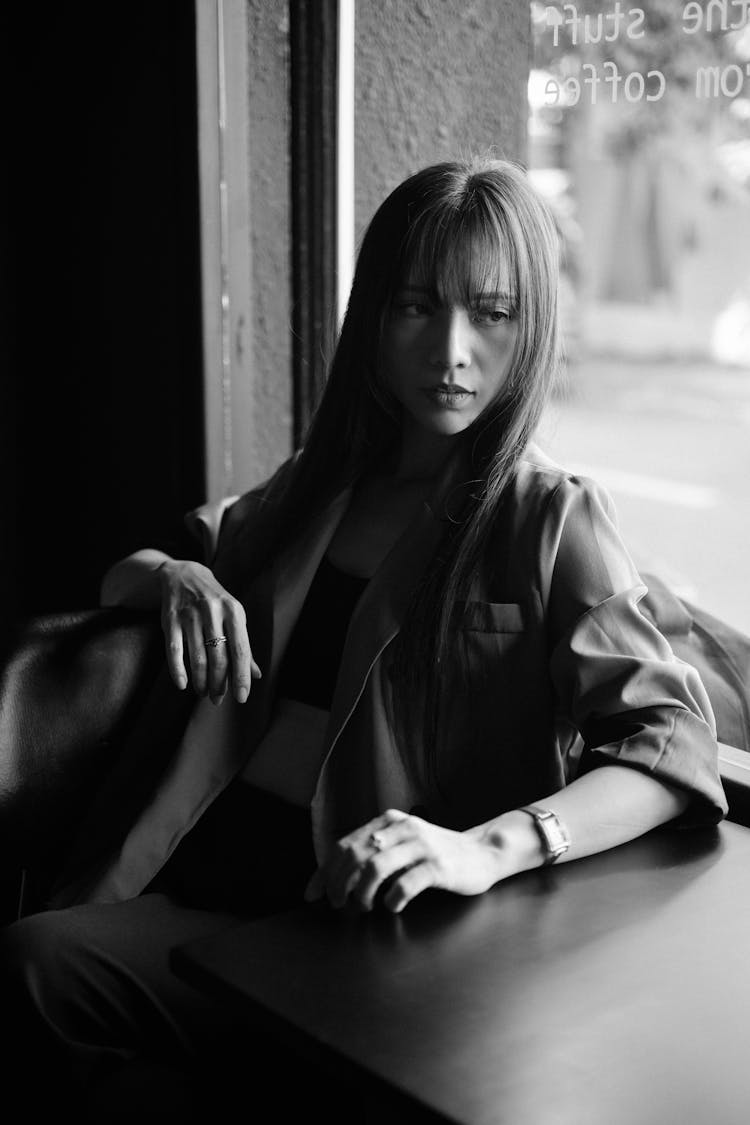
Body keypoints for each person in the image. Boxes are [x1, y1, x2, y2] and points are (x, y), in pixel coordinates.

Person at [1, 156, 727, 1119]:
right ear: (375, 321)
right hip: (201, 884)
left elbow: (671, 743)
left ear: (532, 326)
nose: (453, 350)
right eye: (418, 307)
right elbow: (133, 568)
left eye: (493, 313)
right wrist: (177, 578)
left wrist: (490, 847)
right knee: (31, 965)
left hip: (355, 934)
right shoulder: (322, 483)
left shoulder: (549, 519)